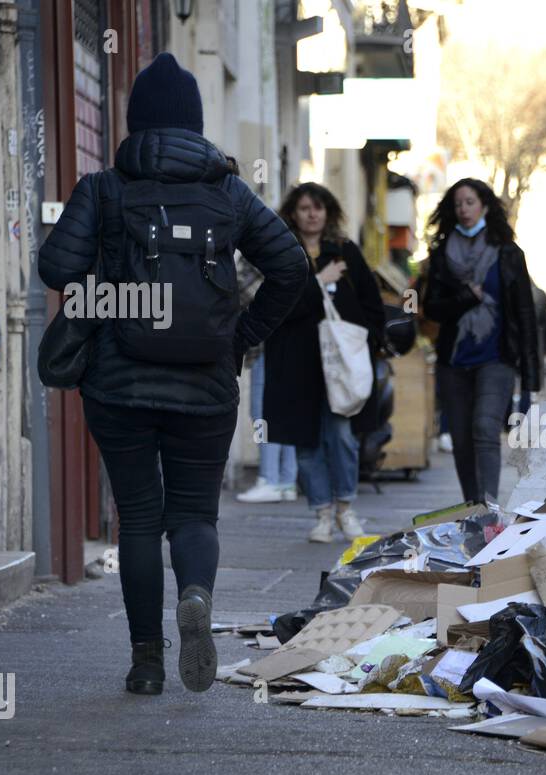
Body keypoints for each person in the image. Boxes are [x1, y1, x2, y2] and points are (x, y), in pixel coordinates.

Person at [37, 53, 308, 695]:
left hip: (116, 382)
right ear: (196, 123)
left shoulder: (104, 189)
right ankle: (195, 595)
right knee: (194, 518)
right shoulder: (229, 193)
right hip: (205, 384)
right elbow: (291, 267)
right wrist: (237, 338)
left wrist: (112, 292)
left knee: (137, 518)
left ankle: (146, 662)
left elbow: (55, 269)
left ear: (134, 123)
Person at [261, 182, 385, 542]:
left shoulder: (344, 251)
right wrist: (318, 283)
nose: (312, 214)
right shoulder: (281, 252)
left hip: (341, 366)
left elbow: (371, 303)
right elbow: (277, 308)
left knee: (342, 435)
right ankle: (322, 514)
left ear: (328, 211)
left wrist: (369, 343)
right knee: (305, 441)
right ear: (292, 214)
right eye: (303, 208)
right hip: (294, 365)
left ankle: (346, 507)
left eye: (318, 207)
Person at [422, 178, 540, 504]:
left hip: (496, 356)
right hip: (454, 360)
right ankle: (471, 507)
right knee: (461, 439)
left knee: (486, 428)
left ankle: (488, 507)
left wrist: (531, 375)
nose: (464, 209)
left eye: (470, 202)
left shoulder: (508, 253)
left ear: (484, 205)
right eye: (458, 203)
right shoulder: (442, 253)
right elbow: (431, 307)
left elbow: (525, 313)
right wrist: (464, 297)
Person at [233, 253, 299, 503]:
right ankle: (286, 480)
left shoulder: (256, 254)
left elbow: (243, 291)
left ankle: (269, 478)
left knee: (262, 414)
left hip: (267, 345)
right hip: (286, 344)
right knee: (282, 413)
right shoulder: (285, 249)